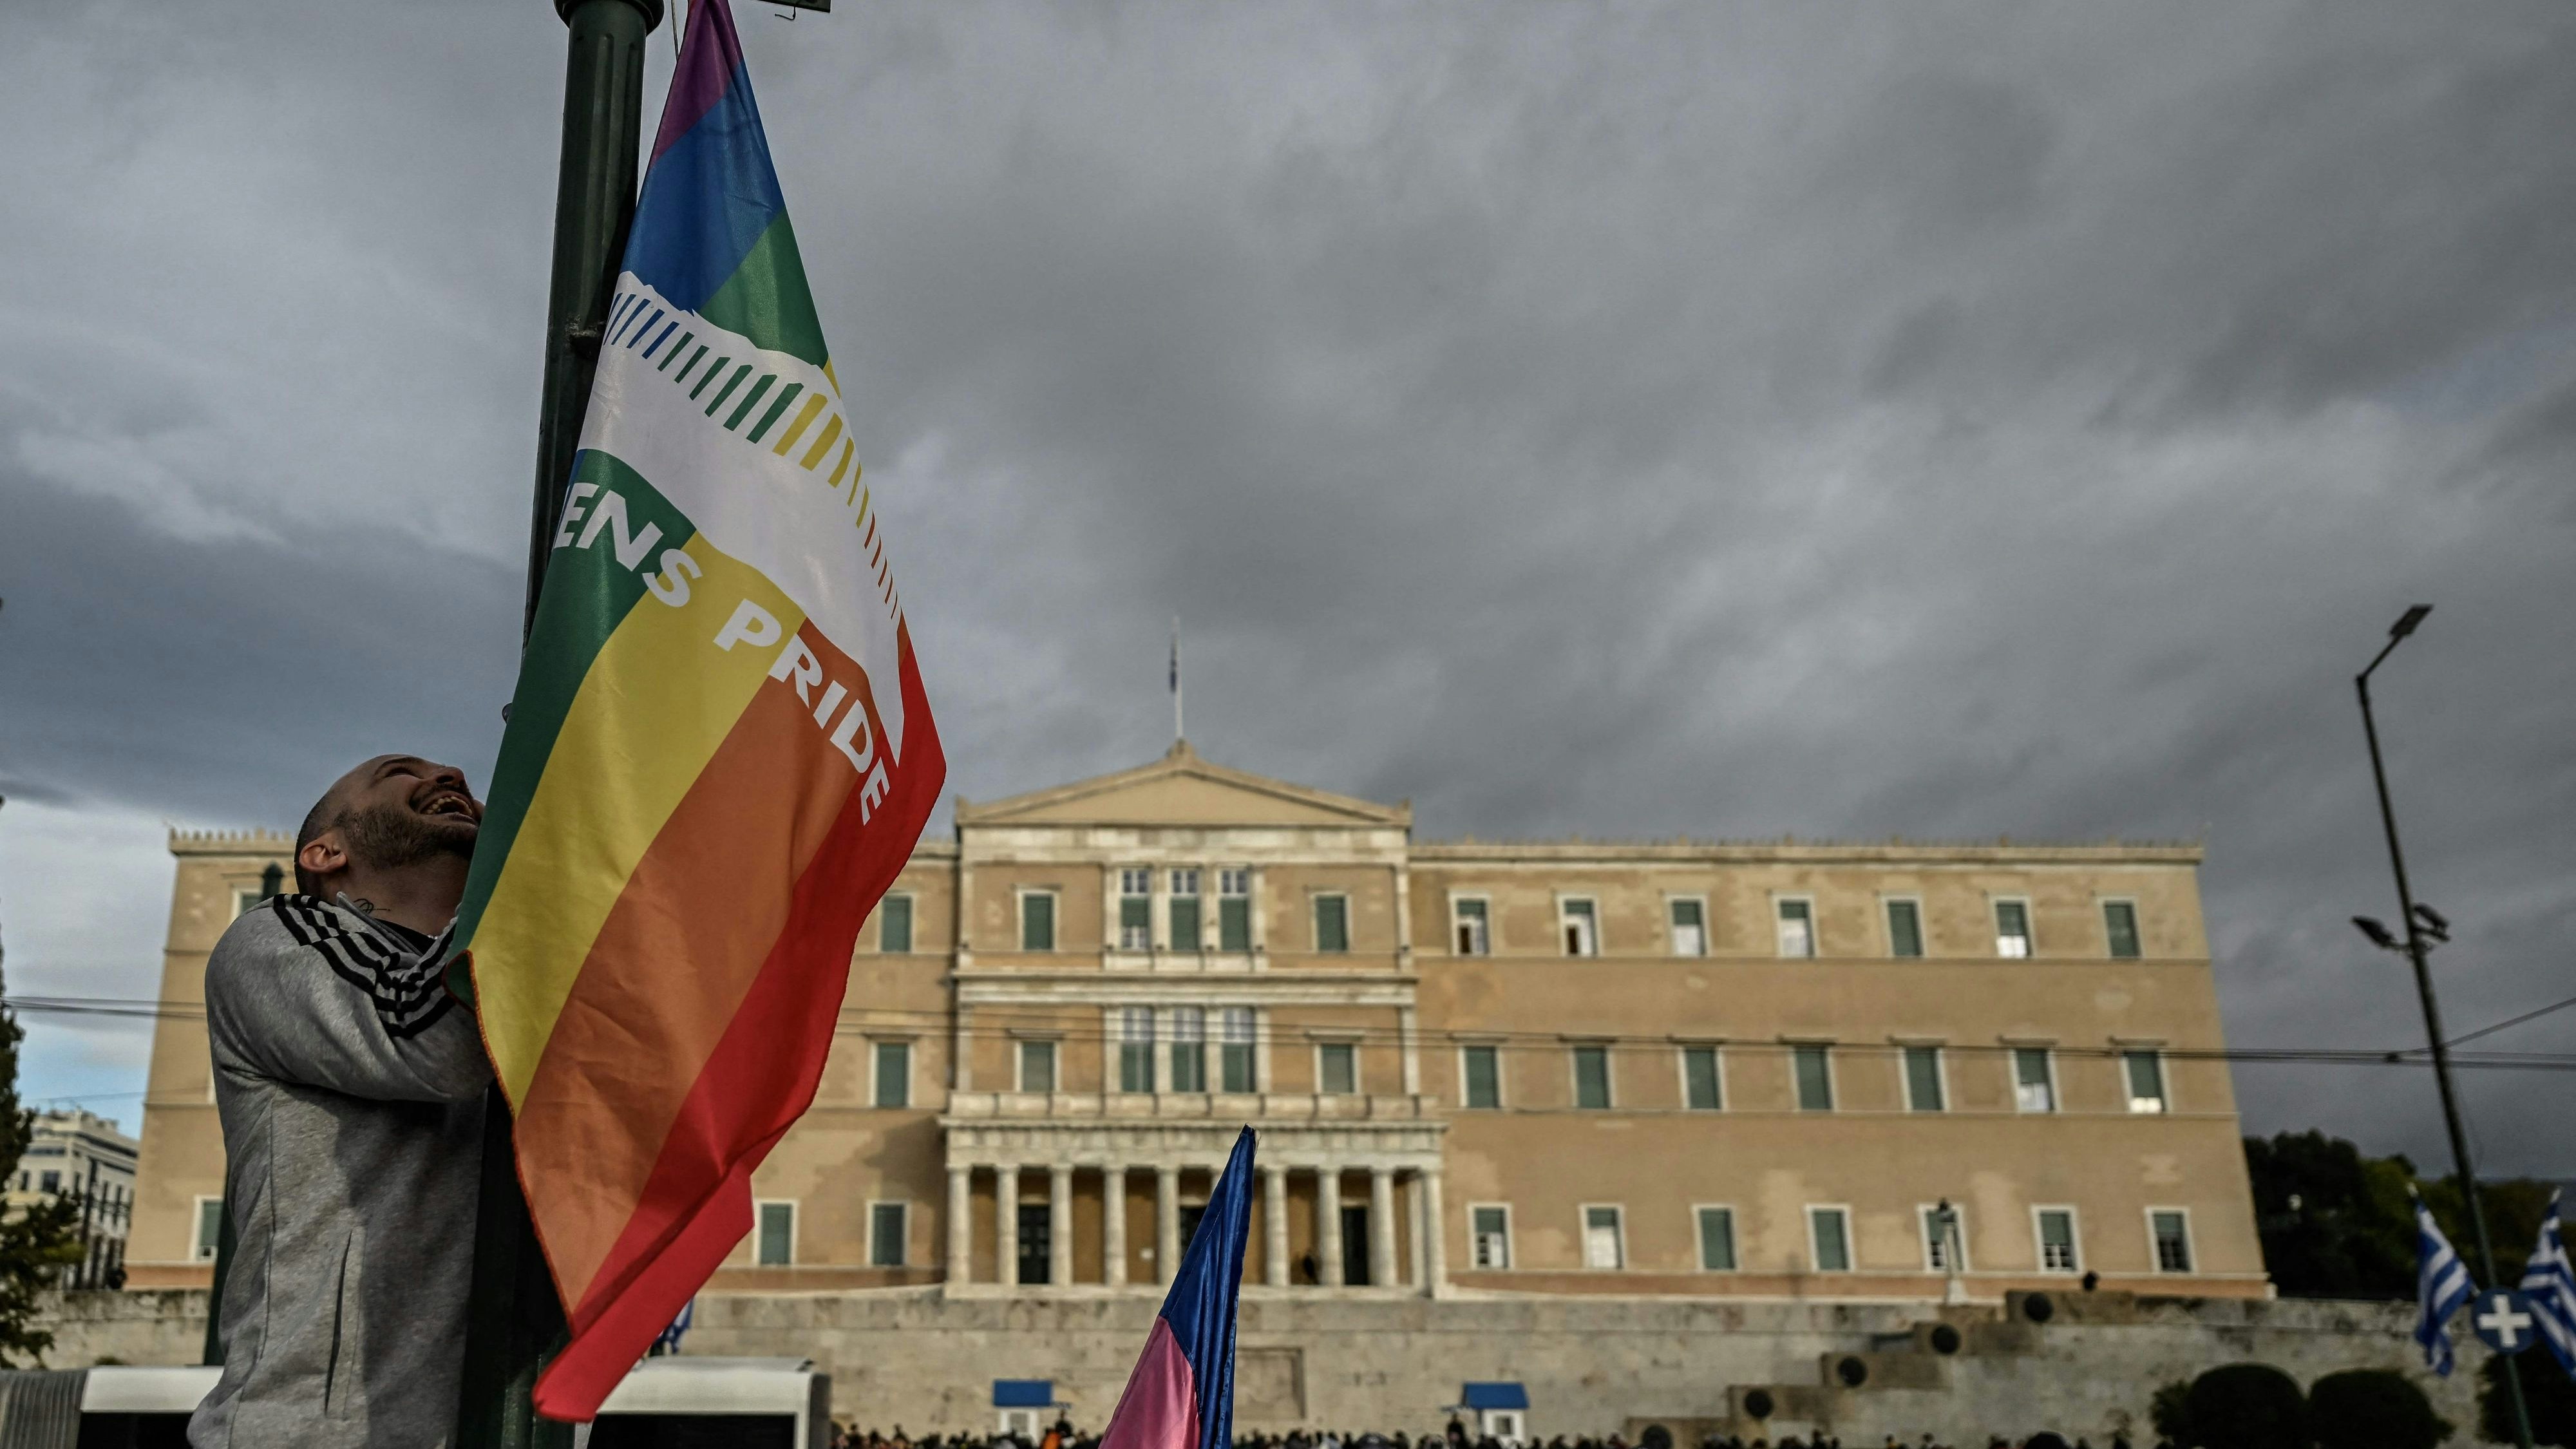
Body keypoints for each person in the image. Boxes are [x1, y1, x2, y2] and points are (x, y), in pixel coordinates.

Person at [189, 756, 495, 1447]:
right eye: (398, 771)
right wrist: (520, 877)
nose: (451, 774)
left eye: (463, 783)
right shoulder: (279, 935)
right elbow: (435, 1046)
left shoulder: (512, 961)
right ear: (326, 852)